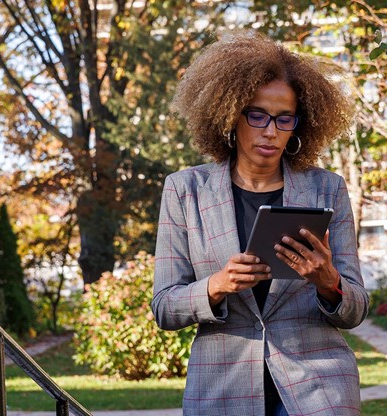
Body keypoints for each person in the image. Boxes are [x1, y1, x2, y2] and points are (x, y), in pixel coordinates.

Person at [152, 31, 369, 416]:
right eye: (257, 115)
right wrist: (216, 286)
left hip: (318, 390)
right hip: (222, 390)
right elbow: (165, 308)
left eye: (284, 118)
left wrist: (330, 283)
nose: (270, 130)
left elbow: (356, 310)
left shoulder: (327, 189)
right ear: (230, 115)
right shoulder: (186, 191)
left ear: (298, 126)